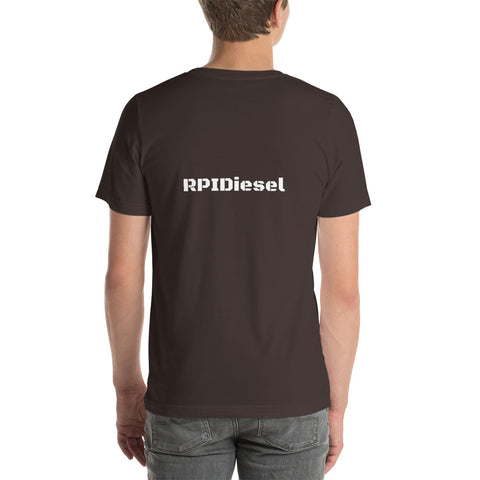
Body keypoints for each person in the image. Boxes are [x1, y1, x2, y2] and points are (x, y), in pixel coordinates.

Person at [95, 0, 371, 478]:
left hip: (183, 392)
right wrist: (336, 405)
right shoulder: (327, 118)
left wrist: (126, 389)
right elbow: (342, 291)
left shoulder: (147, 113)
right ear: (279, 10)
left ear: (207, 9)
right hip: (291, 397)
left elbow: (122, 277)